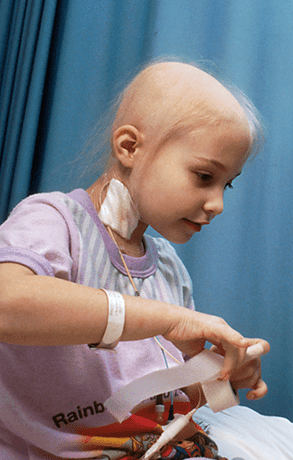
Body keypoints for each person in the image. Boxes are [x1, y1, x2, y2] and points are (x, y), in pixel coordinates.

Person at [0, 61, 269, 459]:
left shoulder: (168, 268)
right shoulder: (54, 220)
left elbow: (169, 399)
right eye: (203, 176)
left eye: (226, 184)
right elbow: (7, 304)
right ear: (129, 147)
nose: (218, 204)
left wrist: (222, 376)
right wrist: (171, 319)